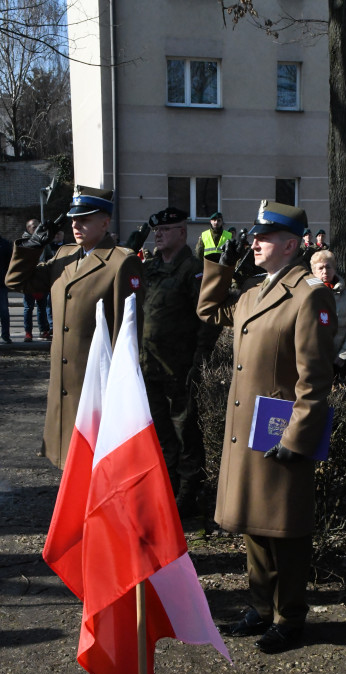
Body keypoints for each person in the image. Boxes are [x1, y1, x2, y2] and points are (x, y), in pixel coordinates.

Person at [197, 200, 336, 653]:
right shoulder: (253, 293)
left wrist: (297, 438)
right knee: (255, 524)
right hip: (248, 428)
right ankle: (259, 607)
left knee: (286, 529)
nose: (254, 242)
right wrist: (222, 263)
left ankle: (289, 616)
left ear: (291, 244)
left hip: (280, 431)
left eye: (265, 236)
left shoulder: (310, 293)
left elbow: (314, 379)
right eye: (254, 236)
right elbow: (209, 310)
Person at [5, 185, 145, 469]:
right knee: (68, 465)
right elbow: (18, 282)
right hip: (63, 385)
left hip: (95, 388)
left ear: (105, 222)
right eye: (73, 219)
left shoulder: (120, 262)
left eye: (85, 219)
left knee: (94, 466)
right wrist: (32, 248)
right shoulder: (64, 257)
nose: (76, 225)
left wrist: (121, 391)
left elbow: (125, 334)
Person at [140, 206, 220, 514]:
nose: (158, 234)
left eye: (166, 230)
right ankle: (167, 489)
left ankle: (188, 496)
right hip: (151, 366)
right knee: (160, 434)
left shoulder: (193, 269)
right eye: (156, 230)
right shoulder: (150, 268)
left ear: (182, 232)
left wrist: (199, 358)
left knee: (185, 432)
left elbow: (208, 318)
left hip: (180, 368)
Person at [310, 249, 346, 387]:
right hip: (317, 359)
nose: (324, 271)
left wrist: (344, 354)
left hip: (342, 358)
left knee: (342, 398)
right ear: (314, 271)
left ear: (334, 269)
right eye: (320, 268)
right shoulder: (308, 294)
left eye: (328, 267)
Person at [21, 218, 52, 342]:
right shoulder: (23, 242)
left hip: (41, 278)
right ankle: (28, 332)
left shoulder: (44, 241)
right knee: (28, 308)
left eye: (38, 226)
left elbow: (50, 256)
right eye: (34, 227)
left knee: (42, 306)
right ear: (28, 228)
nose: (37, 228)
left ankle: (44, 330)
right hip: (28, 279)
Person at [0, 233, 12, 343]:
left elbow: (10, 263)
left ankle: (5, 335)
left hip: (1, 283)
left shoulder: (5, 244)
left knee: (3, 311)